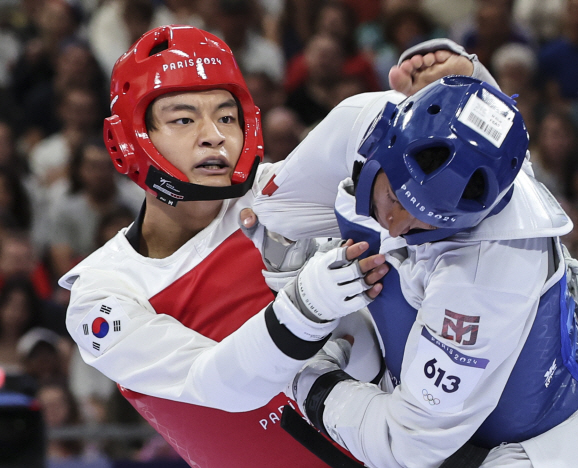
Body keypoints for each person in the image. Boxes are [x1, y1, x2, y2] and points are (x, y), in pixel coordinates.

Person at [249, 43, 578, 468]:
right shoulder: (369, 120)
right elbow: (270, 206)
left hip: (536, 447)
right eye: (393, 196)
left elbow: (407, 443)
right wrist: (468, 77)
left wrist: (308, 381)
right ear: (384, 138)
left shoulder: (483, 276)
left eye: (422, 222)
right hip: (465, 364)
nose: (394, 223)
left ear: (470, 218)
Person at [59, 25, 388, 467]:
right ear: (131, 138)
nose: (213, 135)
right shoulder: (102, 294)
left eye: (226, 116)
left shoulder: (276, 196)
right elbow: (221, 386)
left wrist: (442, 90)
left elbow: (358, 125)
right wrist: (307, 306)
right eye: (183, 118)